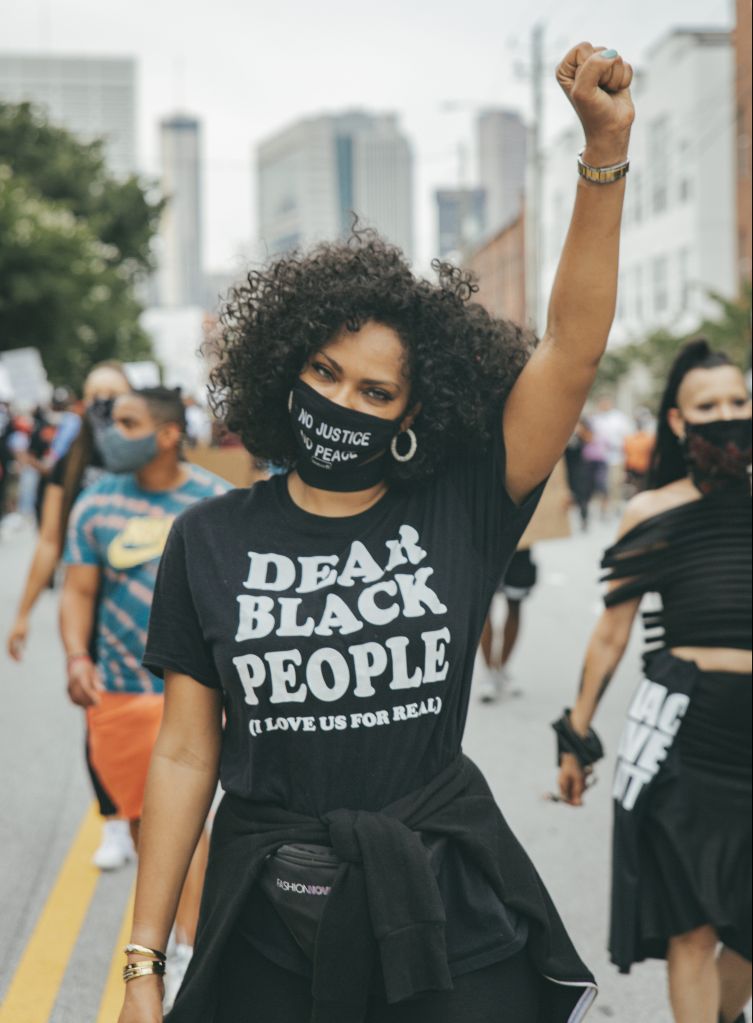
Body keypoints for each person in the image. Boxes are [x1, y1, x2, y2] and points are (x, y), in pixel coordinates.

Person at [118, 42, 634, 1023]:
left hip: (443, 912)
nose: (339, 400)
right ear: (283, 369)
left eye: (374, 390)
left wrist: (603, 154)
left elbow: (570, 348)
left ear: (413, 414)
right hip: (267, 928)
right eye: (322, 372)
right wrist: (144, 960)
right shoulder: (209, 539)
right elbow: (186, 755)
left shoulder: (461, 504)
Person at [556, 340, 751, 1023]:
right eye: (708, 406)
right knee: (692, 926)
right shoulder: (652, 512)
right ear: (677, 421)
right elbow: (611, 633)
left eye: (737, 401)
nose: (726, 416)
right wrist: (574, 733)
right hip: (685, 733)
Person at [60, 386, 230, 1005]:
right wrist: (77, 655)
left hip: (198, 696)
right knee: (142, 824)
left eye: (127, 421)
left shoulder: (214, 502)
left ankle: (189, 950)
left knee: (192, 823)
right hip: (121, 692)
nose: (110, 432)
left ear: (165, 434)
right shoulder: (95, 503)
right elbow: (78, 592)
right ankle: (175, 943)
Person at [6, 362, 136, 870]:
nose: (104, 404)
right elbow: (49, 540)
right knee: (100, 716)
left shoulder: (151, 453)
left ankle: (159, 816)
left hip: (150, 607)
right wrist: (22, 612)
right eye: (96, 395)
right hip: (95, 608)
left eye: (114, 395)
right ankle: (115, 820)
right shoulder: (71, 460)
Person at [478, 547, 538, 703]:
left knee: (514, 605)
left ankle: (501, 669)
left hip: (520, 545)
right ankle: (489, 672)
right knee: (484, 607)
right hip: (487, 542)